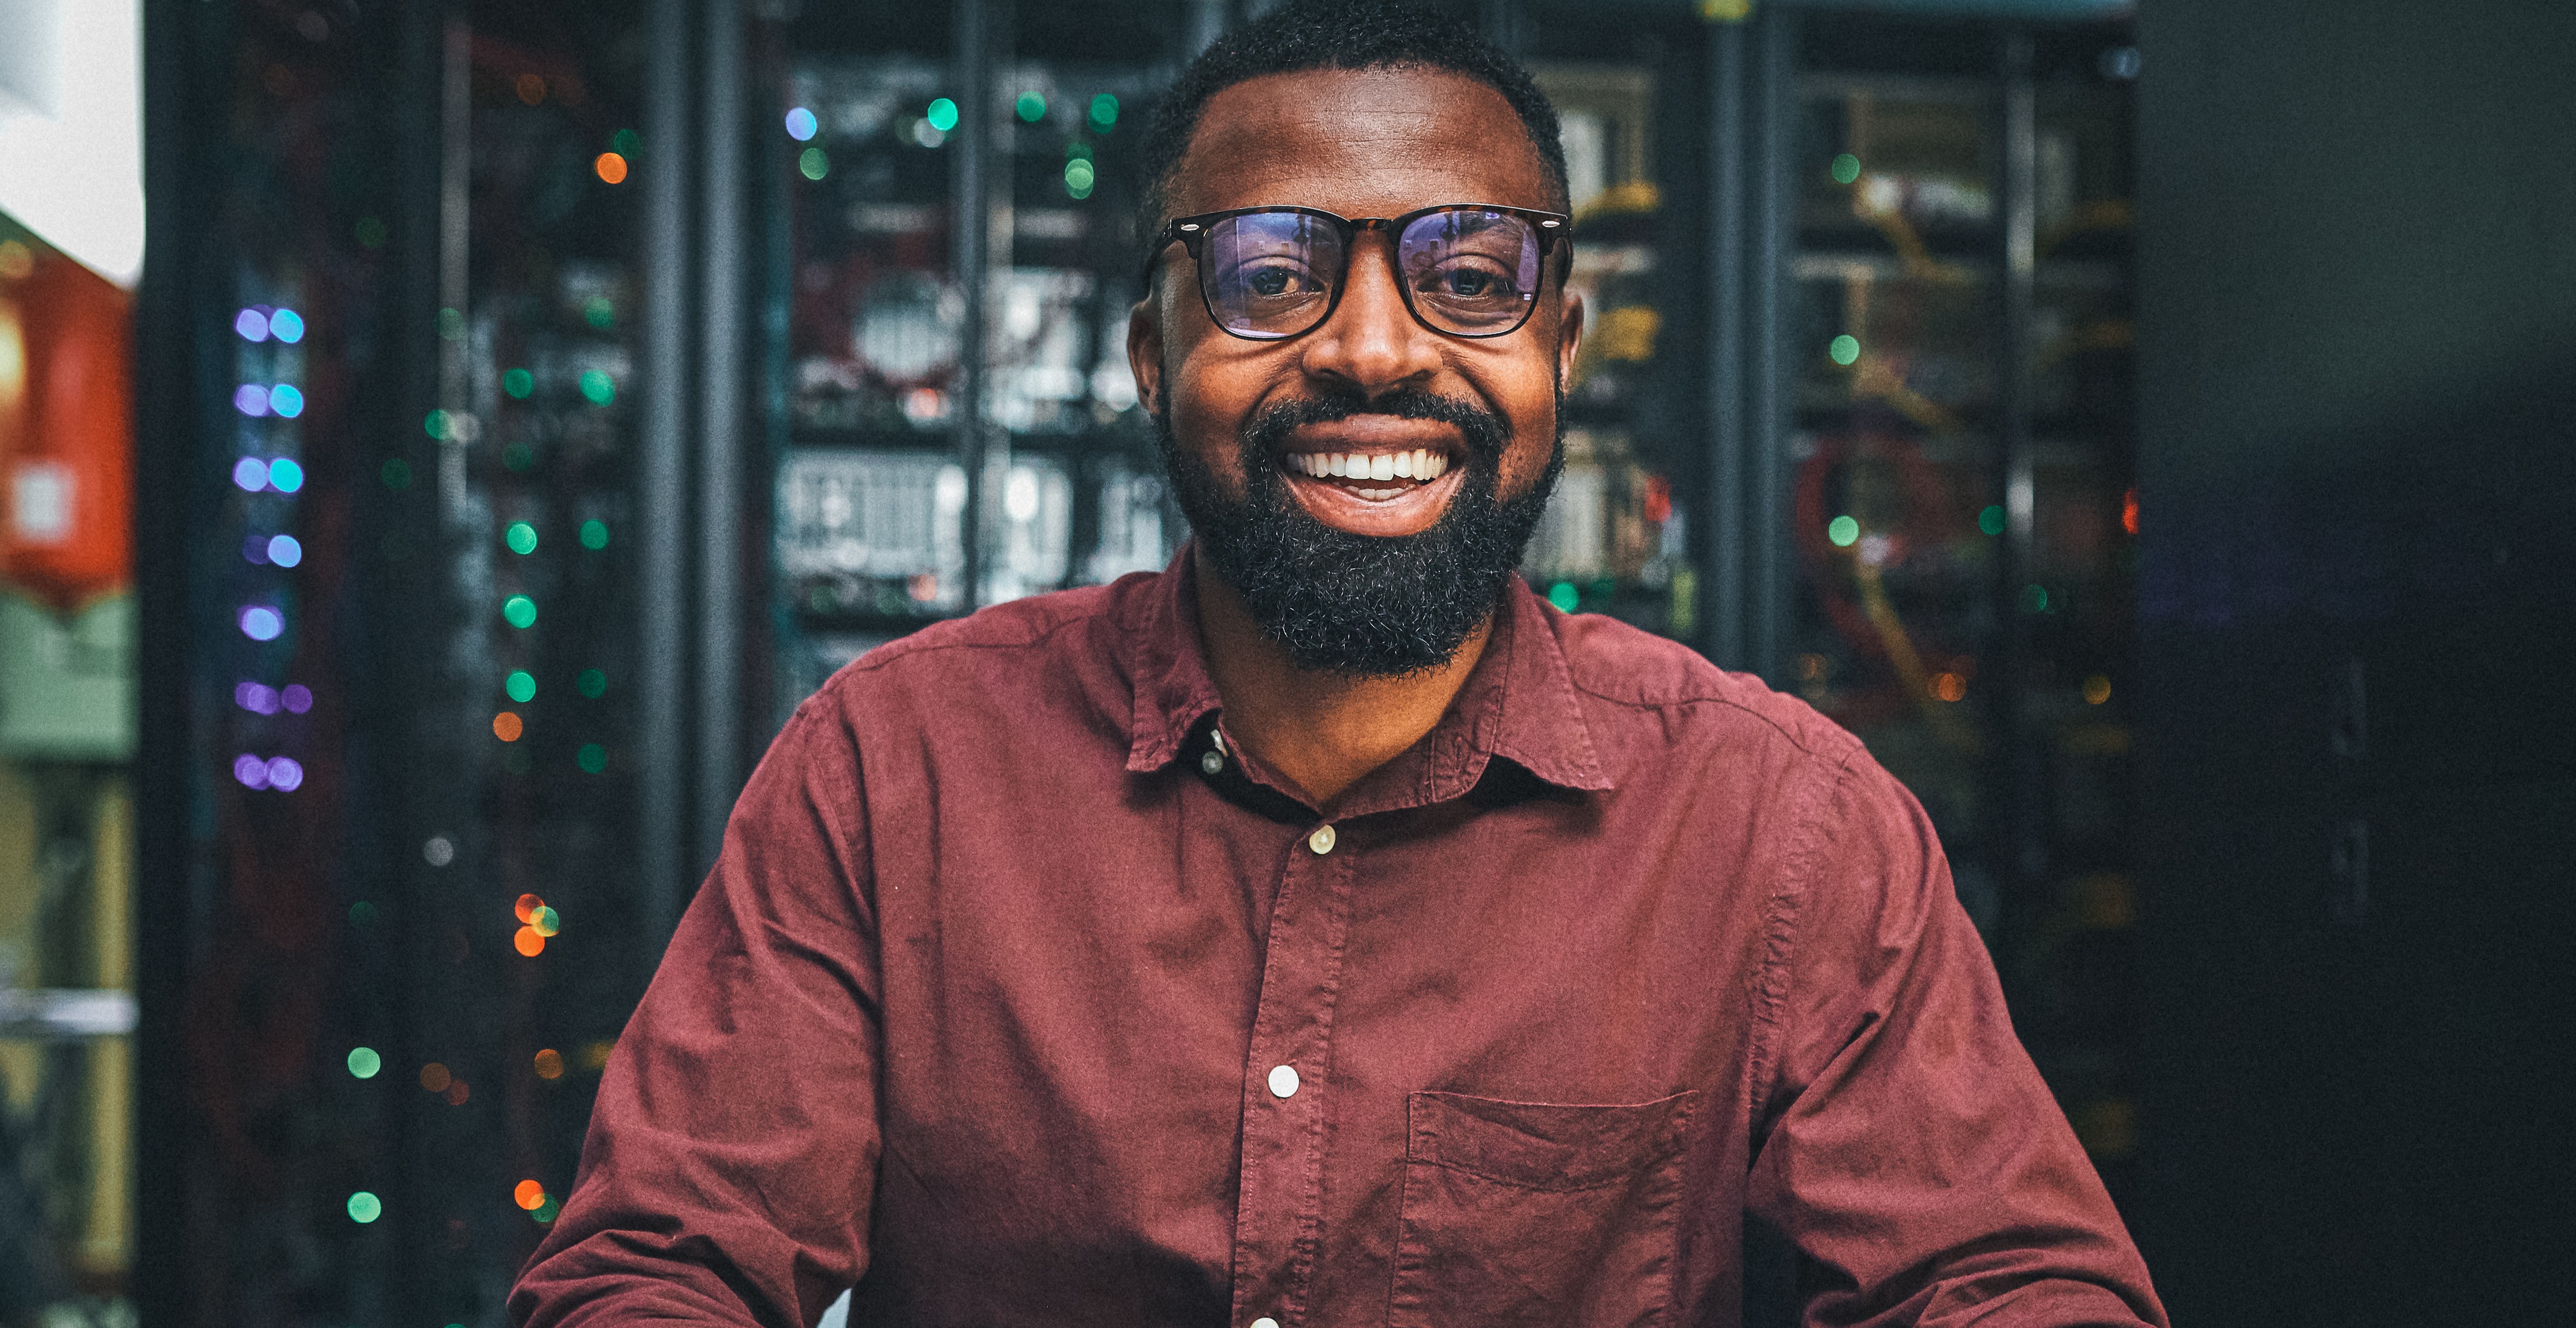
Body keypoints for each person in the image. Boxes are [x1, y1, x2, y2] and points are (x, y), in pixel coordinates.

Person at [511, 5, 2166, 1325]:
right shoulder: (896, 764)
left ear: (1558, 351)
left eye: (1467, 277)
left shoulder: (1784, 829)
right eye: (1269, 277)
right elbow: (662, 1268)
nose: (1374, 348)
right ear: (1152, 354)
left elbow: (2004, 1284)